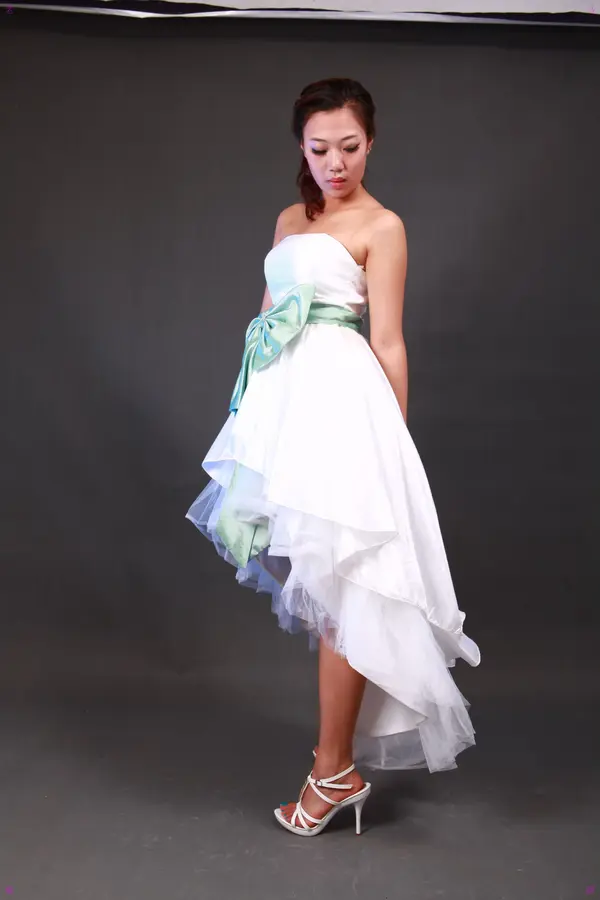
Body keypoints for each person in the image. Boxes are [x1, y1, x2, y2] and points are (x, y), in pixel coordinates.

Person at [186, 77, 481, 837]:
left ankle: (332, 769)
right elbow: (265, 324)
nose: (335, 163)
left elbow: (388, 340)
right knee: (325, 586)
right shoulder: (289, 220)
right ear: (302, 148)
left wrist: (395, 444)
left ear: (370, 143)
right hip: (289, 410)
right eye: (320, 149)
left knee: (347, 585)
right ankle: (337, 767)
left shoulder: (383, 226)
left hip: (346, 409)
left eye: (349, 147)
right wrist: (248, 418)